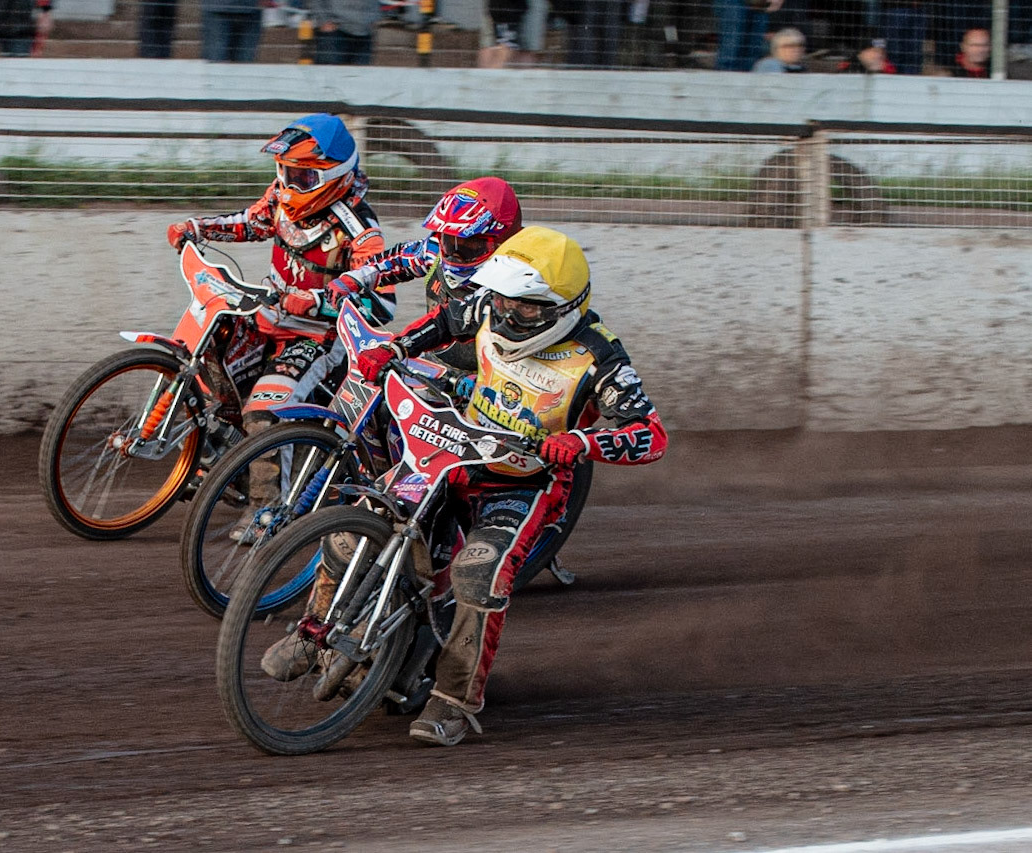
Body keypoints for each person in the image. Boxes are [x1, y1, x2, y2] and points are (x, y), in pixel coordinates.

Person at [266, 226, 669, 746]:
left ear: (561, 308)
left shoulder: (600, 357)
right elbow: (443, 320)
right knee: (351, 530)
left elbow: (651, 435)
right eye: (499, 299)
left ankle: (455, 701)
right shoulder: (488, 305)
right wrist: (396, 348)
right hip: (455, 447)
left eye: (522, 307)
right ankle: (312, 632)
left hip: (524, 482)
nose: (502, 313)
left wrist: (583, 443)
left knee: (478, 573)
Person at [166, 114, 389, 531]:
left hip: (320, 337)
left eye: (303, 177)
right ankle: (225, 460)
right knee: (204, 361)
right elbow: (251, 222)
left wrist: (318, 301)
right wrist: (198, 226)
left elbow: (380, 305)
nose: (290, 185)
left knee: (263, 414)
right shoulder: (281, 197)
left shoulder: (360, 229)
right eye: (285, 172)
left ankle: (269, 510)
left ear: (335, 176)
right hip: (267, 313)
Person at [323, 176, 524, 371]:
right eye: (449, 240)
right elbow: (400, 259)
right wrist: (357, 277)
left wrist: (399, 346)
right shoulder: (435, 249)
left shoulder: (516, 280)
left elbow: (449, 319)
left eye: (470, 245)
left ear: (502, 243)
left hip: (492, 378)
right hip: (433, 362)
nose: (455, 253)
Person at [715, 0, 782, 71]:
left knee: (753, 50)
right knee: (732, 47)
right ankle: (726, 78)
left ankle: (746, 77)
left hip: (760, 4)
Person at [308, 0, 380, 65]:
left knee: (360, 76)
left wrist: (373, 18)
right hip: (335, 31)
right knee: (329, 74)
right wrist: (323, 20)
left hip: (364, 32)